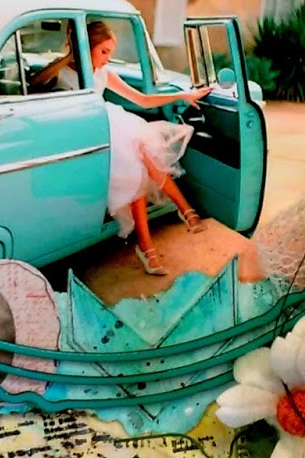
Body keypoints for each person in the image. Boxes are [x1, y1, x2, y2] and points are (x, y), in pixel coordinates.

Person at [85, 20, 213, 276]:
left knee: (143, 153)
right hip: (93, 129)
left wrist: (181, 95)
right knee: (135, 162)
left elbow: (142, 100)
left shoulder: (104, 72)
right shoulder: (67, 73)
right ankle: (163, 231)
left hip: (113, 122)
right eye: (103, 51)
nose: (107, 58)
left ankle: (181, 214)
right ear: (86, 46)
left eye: (110, 52)